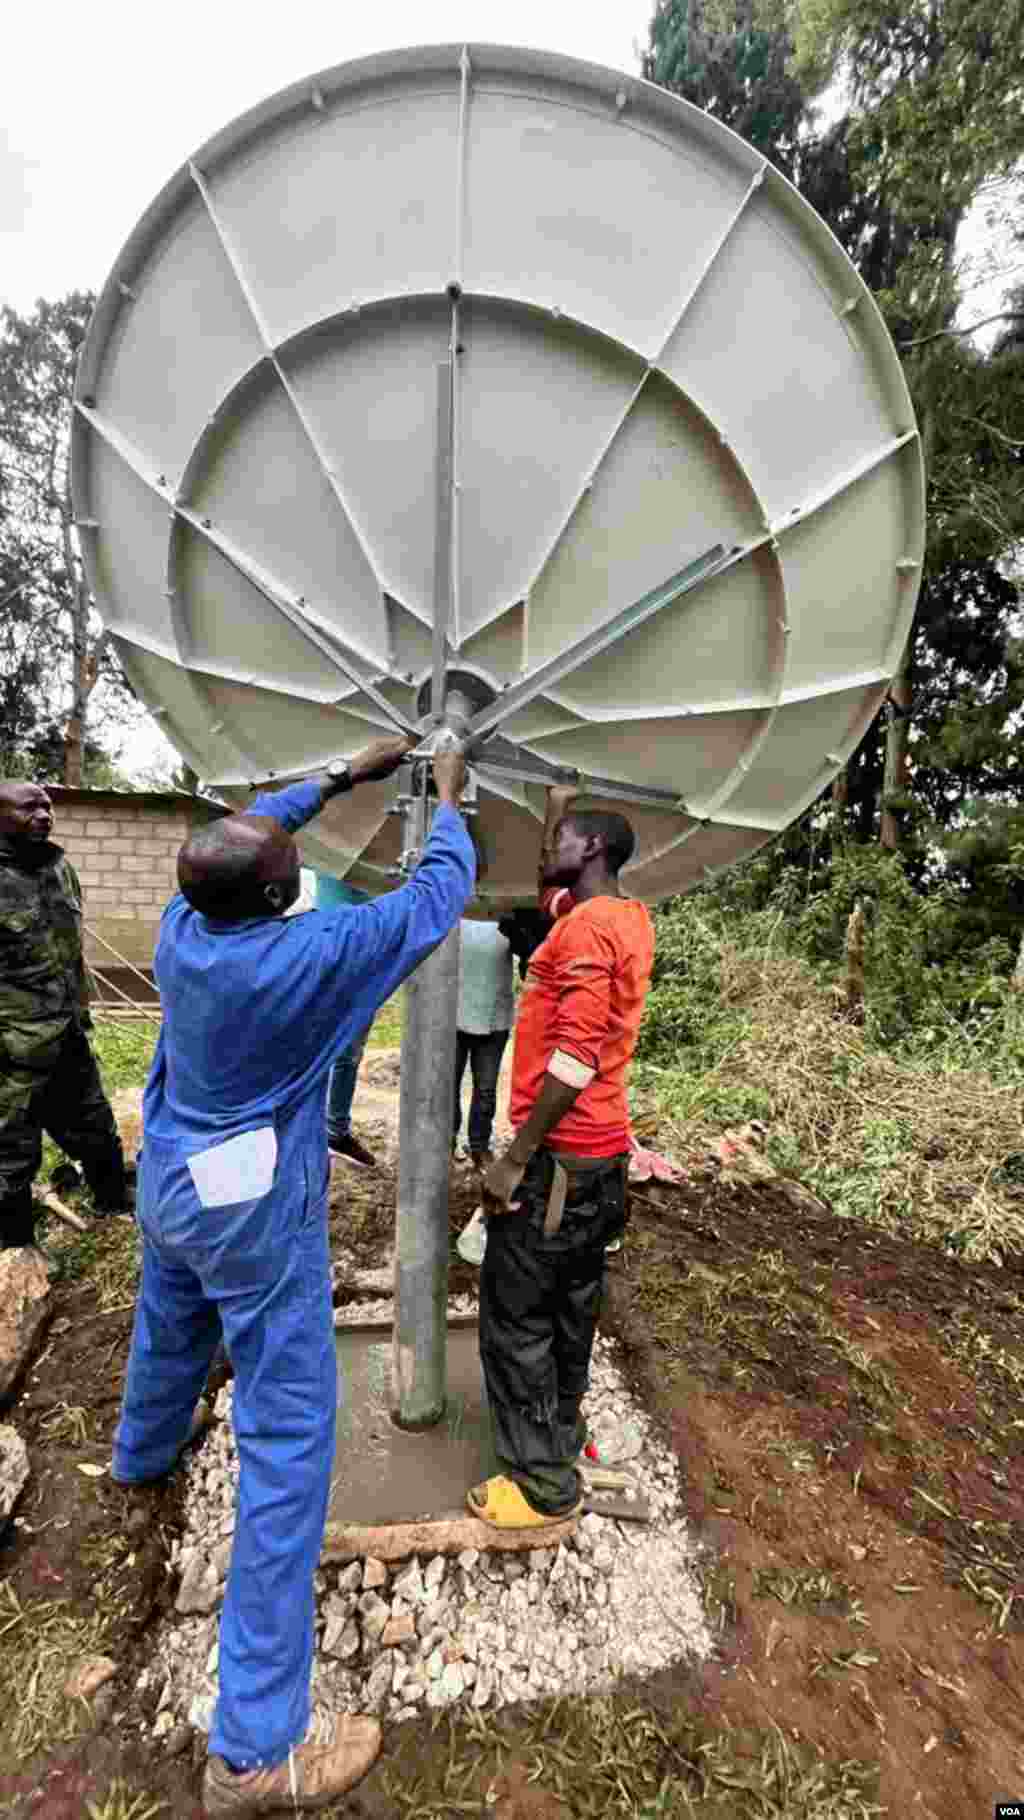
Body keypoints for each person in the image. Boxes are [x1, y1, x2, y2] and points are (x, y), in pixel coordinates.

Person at [110, 737, 474, 1817]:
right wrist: (445, 800)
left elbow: (253, 824)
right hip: (250, 1215)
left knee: (169, 1317)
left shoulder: (186, 926)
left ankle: (140, 1454)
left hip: (171, 1174)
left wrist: (341, 773)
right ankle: (254, 1752)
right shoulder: (308, 956)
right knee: (289, 1438)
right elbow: (432, 897)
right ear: (281, 895)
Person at [468, 785, 654, 1529]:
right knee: (573, 1310)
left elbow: (573, 1062)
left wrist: (513, 1158)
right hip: (602, 1165)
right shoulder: (626, 919)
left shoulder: (582, 936)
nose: (549, 853)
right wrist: (558, 809)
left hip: (555, 1168)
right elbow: (555, 891)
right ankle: (564, 1435)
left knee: (516, 1321)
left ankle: (543, 1486)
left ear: (597, 851)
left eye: (564, 839)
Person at [0, 780, 134, 1250]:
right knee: (11, 1156)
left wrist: (82, 1008)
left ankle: (115, 1213)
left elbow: (72, 949)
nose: (42, 815)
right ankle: (16, 1252)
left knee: (97, 1129)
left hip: (68, 1033)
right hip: (13, 1049)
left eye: (47, 806)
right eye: (27, 808)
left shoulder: (59, 866)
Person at [314, 872, 377, 1168]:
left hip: (364, 971)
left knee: (349, 1056)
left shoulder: (377, 869)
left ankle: (336, 1131)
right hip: (325, 963)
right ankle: (308, 1133)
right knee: (315, 1053)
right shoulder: (330, 854)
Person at [453, 918, 514, 1171]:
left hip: (494, 1013)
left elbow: (530, 953)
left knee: (486, 1088)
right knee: (447, 1086)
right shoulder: (455, 905)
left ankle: (479, 1146)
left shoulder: (509, 908)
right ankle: (445, 1143)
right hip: (452, 1011)